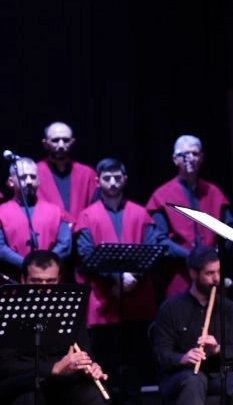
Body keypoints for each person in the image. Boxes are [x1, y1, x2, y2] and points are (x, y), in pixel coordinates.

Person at [75, 157, 163, 404]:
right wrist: (116, 279)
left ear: (125, 180)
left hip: (137, 298)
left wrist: (132, 278)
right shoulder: (87, 215)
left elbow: (152, 248)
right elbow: (86, 253)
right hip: (104, 299)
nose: (112, 183)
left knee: (136, 363)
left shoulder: (141, 212)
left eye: (117, 178)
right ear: (97, 181)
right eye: (107, 178)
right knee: (106, 364)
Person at [0, 250, 109, 405]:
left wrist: (90, 366)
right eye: (36, 281)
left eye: (50, 281)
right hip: (22, 382)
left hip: (63, 381)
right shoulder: (7, 311)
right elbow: (7, 365)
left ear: (59, 280)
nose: (44, 289)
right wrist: (53, 369)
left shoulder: (70, 309)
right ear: (23, 280)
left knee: (94, 397)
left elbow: (85, 352)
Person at [151, 245, 233, 404]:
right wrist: (183, 358)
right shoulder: (170, 308)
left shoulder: (228, 308)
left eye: (218, 272)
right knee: (194, 381)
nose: (216, 279)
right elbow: (161, 354)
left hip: (216, 374)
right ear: (193, 273)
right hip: (179, 375)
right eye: (210, 273)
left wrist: (217, 349)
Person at [146, 134, 233, 301]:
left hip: (213, 275)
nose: (190, 158)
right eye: (184, 154)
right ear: (175, 159)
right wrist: (190, 257)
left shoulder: (213, 192)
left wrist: (215, 253)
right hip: (180, 275)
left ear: (201, 158)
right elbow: (158, 239)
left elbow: (229, 230)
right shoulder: (162, 195)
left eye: (195, 154)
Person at [0, 157, 73, 278]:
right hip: (13, 278)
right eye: (23, 177)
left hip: (50, 280)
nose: (29, 181)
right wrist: (26, 264)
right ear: (11, 181)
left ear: (38, 180)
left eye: (33, 177)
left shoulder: (56, 211)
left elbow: (65, 245)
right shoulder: (1, 212)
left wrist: (44, 264)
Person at [36, 121, 98, 220]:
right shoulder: (34, 173)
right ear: (45, 144)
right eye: (55, 140)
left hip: (81, 229)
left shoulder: (87, 174)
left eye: (66, 140)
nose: (61, 145)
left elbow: (96, 209)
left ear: (72, 142)